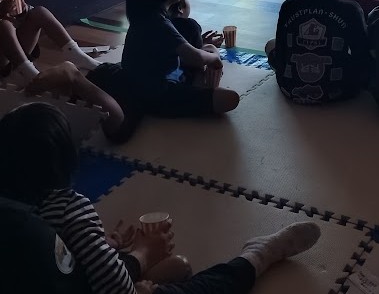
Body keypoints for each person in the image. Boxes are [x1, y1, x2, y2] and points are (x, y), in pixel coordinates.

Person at [0, 102, 322, 294]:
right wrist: (142, 255)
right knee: (201, 286)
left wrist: (100, 247)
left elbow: (54, 261)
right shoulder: (71, 208)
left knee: (179, 266)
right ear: (65, 160)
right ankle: (259, 255)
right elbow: (115, 288)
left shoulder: (17, 213)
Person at [88, 0, 239, 129]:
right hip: (158, 95)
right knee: (230, 98)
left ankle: (195, 84)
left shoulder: (144, 19)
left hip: (142, 83)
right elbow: (195, 57)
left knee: (209, 49)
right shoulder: (159, 23)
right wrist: (215, 58)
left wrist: (209, 51)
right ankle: (192, 91)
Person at [265, 0, 370, 104]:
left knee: (270, 45)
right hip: (339, 91)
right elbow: (361, 54)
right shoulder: (351, 8)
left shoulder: (288, 6)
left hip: (290, 88)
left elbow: (281, 50)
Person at [0, 0, 101, 86]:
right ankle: (33, 77)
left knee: (39, 12)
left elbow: (21, 17)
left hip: (11, 52)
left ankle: (76, 55)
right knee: (5, 26)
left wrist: (22, 10)